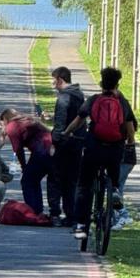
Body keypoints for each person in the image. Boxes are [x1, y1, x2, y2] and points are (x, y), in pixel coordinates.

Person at [64, 67, 135, 241]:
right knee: (113, 177)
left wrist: (66, 133)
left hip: (93, 148)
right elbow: (129, 126)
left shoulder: (94, 100)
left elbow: (78, 120)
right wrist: (130, 143)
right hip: (115, 149)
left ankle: (81, 225)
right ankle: (115, 192)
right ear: (117, 84)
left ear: (101, 83)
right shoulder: (123, 102)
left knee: (84, 185)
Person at [48, 66, 86, 227]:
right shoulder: (79, 95)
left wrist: (55, 142)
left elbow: (61, 123)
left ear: (60, 80)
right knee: (72, 180)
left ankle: (55, 213)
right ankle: (71, 215)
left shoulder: (64, 97)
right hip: (78, 142)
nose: (53, 83)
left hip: (64, 143)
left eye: (53, 80)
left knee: (55, 179)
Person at [0, 109, 52, 215]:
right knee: (34, 180)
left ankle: (32, 211)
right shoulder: (26, 120)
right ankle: (38, 210)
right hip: (51, 148)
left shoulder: (12, 126)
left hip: (42, 150)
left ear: (5, 119)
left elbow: (18, 149)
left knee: (27, 181)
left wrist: (23, 166)